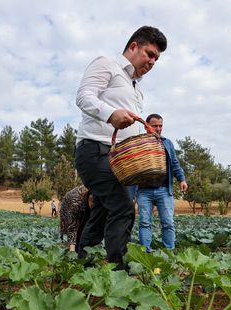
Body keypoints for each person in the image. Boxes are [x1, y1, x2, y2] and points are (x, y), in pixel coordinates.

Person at [74, 26, 167, 269]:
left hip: (120, 158)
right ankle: (118, 271)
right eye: (150, 53)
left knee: (103, 210)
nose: (153, 61)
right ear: (134, 46)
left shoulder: (137, 87)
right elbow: (84, 96)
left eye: (156, 58)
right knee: (124, 207)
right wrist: (110, 113)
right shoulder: (107, 64)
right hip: (95, 150)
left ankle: (85, 266)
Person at [136, 114, 188, 252]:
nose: (158, 128)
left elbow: (175, 163)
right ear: (146, 126)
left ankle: (169, 253)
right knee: (144, 222)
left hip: (164, 189)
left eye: (160, 126)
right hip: (143, 190)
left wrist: (181, 179)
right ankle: (146, 252)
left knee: (168, 223)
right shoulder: (139, 144)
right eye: (154, 125)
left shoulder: (167, 143)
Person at [59, 185, 93, 252]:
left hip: (84, 204)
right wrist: (72, 251)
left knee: (87, 230)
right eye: (93, 203)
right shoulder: (75, 203)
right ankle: (75, 250)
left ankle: (84, 249)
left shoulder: (99, 194)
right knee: (78, 231)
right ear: (89, 199)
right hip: (69, 207)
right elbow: (72, 226)